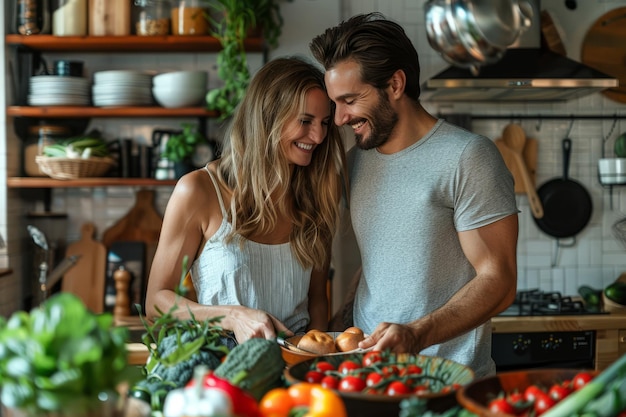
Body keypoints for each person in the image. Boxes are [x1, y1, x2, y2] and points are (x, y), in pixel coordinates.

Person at [310, 13, 519, 377]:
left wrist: (416, 335)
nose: (340, 118)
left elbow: (498, 280)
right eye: (335, 104)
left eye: (350, 100)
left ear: (394, 84)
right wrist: (338, 327)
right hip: (370, 378)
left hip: (450, 381)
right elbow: (382, 264)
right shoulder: (353, 163)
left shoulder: (467, 156)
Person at [145, 56, 347, 345]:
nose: (317, 136)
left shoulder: (318, 194)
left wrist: (310, 361)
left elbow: (317, 300)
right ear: (267, 118)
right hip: (224, 368)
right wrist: (233, 315)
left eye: (324, 122)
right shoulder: (199, 191)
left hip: (294, 375)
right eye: (305, 121)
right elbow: (155, 302)